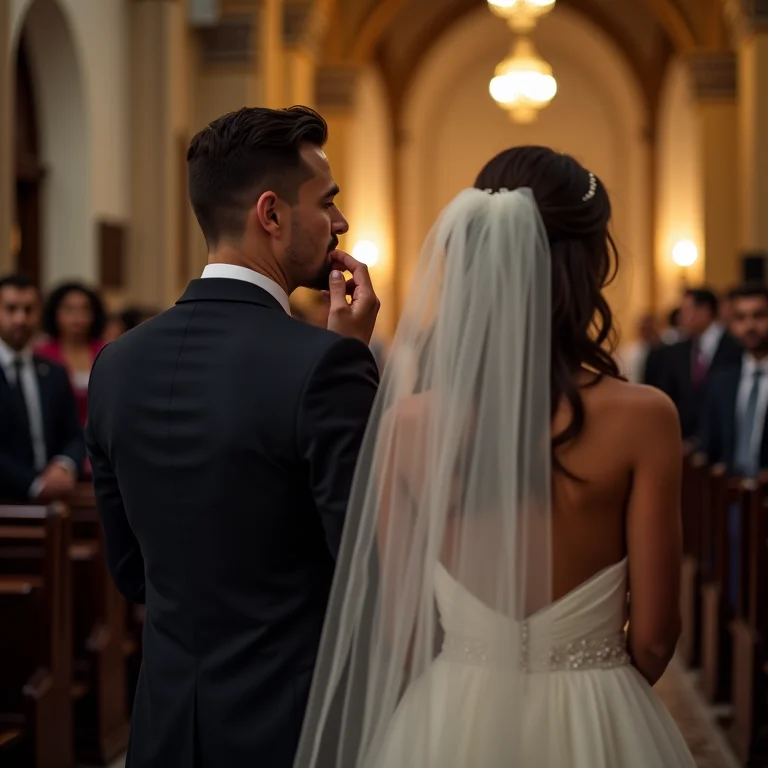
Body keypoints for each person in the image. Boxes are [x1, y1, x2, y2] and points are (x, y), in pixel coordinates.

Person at [295, 147, 694, 767]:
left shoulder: (406, 426)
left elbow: (405, 637)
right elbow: (656, 634)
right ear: (590, 266)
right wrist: (596, 704)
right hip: (597, 709)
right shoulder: (645, 418)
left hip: (453, 709)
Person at [85, 106, 380, 767]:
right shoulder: (325, 363)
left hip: (164, 722)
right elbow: (365, 566)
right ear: (271, 215)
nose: (340, 224)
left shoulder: (117, 363)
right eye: (328, 203)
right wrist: (352, 357)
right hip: (289, 726)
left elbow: (131, 570)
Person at [0, 274, 84, 501]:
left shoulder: (54, 372)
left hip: (54, 502)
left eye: (29, 310)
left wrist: (63, 465)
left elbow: (75, 434)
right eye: (11, 309)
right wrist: (34, 484)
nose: (20, 319)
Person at [645, 288, 741, 440]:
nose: (680, 317)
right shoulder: (676, 351)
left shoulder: (736, 347)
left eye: (686, 310)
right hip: (683, 441)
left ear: (704, 311)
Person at [37, 281, 107, 426]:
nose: (77, 316)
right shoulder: (42, 354)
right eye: (69, 309)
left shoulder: (105, 352)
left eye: (84, 309)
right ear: (55, 313)